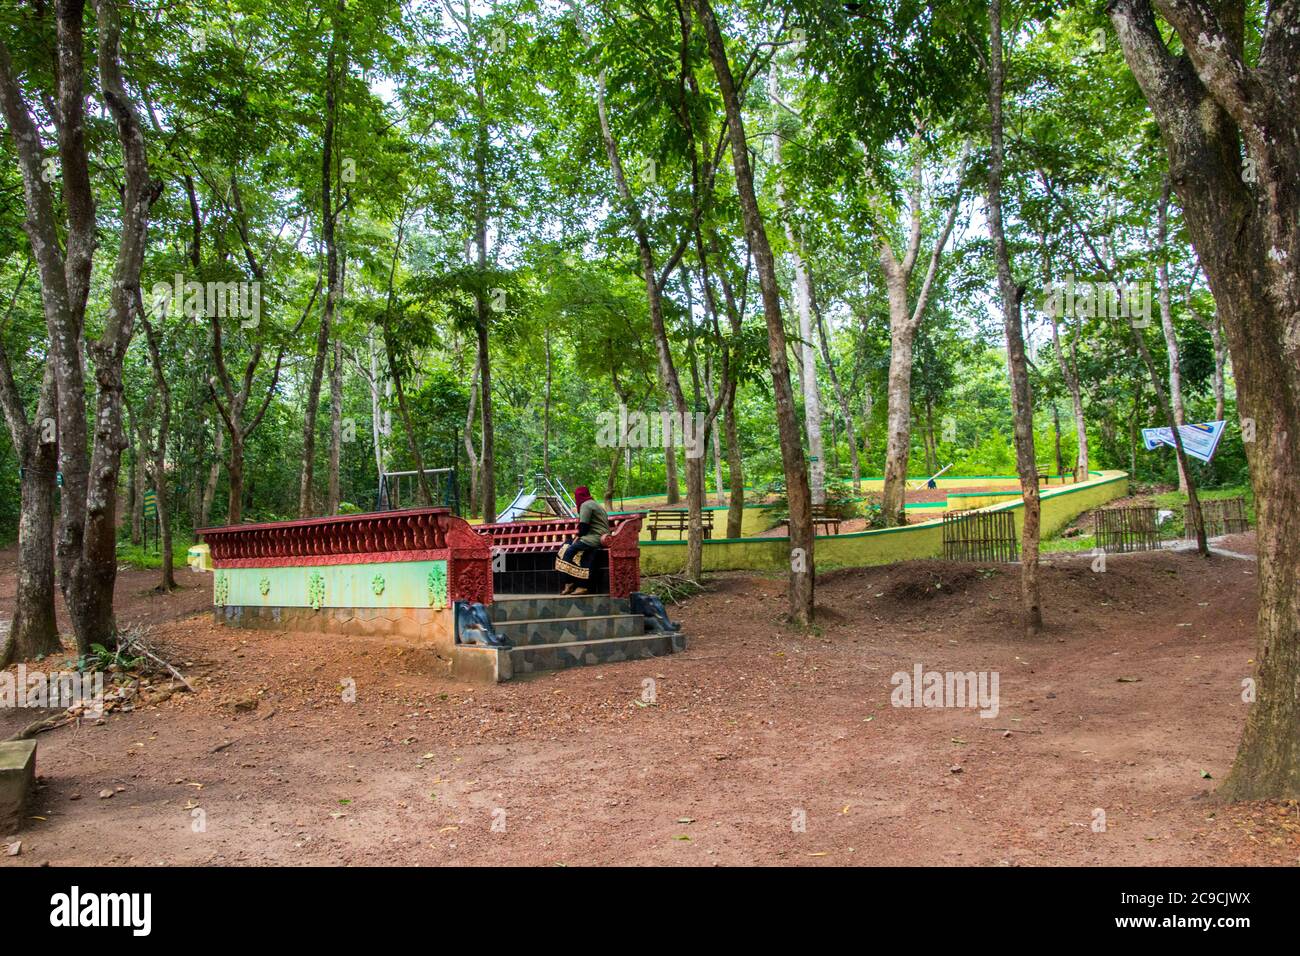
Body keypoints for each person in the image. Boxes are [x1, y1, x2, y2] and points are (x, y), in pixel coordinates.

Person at [555, 485, 609, 595]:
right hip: (600, 537)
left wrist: (577, 538)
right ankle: (574, 584)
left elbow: (583, 527)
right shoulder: (595, 504)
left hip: (594, 538)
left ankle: (572, 583)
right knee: (567, 545)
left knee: (568, 550)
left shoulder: (586, 505)